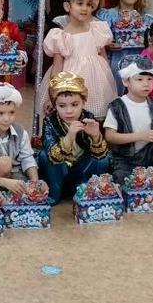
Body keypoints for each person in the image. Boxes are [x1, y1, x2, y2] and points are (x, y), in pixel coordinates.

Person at [103, 57, 153, 210]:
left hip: (149, 156)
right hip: (125, 159)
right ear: (126, 82)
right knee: (126, 190)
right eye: (139, 79)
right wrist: (140, 136)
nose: (146, 84)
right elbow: (110, 136)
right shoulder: (117, 106)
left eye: (149, 79)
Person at [37, 0, 116, 119]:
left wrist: (106, 83)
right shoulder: (61, 36)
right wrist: (52, 95)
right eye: (80, 3)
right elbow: (57, 67)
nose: (85, 8)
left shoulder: (97, 29)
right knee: (71, 115)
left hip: (95, 81)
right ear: (68, 6)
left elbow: (104, 59)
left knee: (94, 116)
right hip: (70, 81)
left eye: (89, 4)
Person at [37, 72, 110, 205]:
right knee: (43, 156)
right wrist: (69, 137)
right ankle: (54, 193)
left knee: (103, 159)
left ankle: (87, 190)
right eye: (62, 106)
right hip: (60, 170)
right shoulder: (50, 122)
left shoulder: (88, 118)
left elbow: (101, 154)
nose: (69, 111)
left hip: (81, 169)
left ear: (83, 102)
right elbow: (52, 155)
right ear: (55, 105)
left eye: (75, 105)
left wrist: (95, 137)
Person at [97, 0, 153, 95]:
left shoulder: (146, 19)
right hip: (115, 61)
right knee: (115, 92)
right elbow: (97, 41)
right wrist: (107, 45)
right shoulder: (108, 16)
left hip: (139, 62)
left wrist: (149, 43)